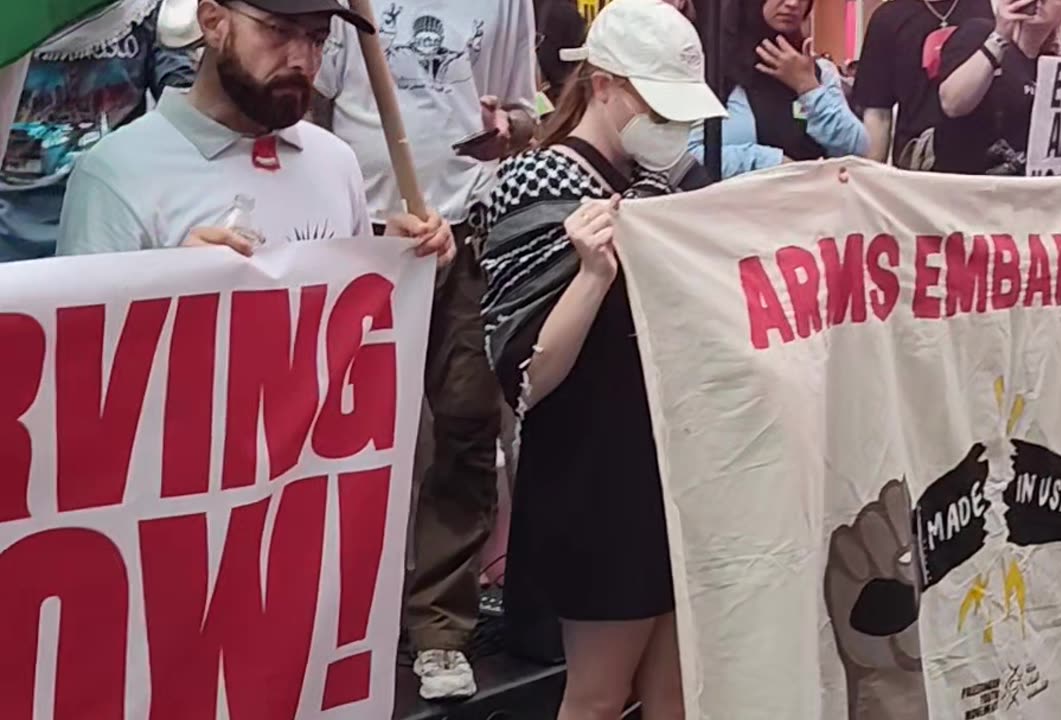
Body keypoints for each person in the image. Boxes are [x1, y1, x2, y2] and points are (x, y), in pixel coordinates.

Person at [479, 0, 725, 717]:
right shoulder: (535, 186)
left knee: (675, 693)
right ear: (606, 85)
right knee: (596, 694)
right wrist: (591, 275)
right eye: (656, 103)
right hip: (595, 479)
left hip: (674, 469)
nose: (670, 124)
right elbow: (526, 375)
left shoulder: (677, 184)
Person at [311, 0, 537, 700]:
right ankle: (340, 621)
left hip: (465, 235)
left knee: (466, 430)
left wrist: (510, 129)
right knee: (348, 435)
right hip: (363, 240)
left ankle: (439, 629)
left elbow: (523, 108)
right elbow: (308, 114)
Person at [56, 0, 452, 261]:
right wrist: (165, 289)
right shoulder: (113, 174)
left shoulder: (336, 162)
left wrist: (394, 259)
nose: (302, 60)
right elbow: (78, 351)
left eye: (317, 38)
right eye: (277, 30)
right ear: (213, 23)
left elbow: (351, 331)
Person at [0, 0, 197, 262]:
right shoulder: (12, 17)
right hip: (9, 226)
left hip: (112, 224)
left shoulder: (148, 11)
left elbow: (188, 111)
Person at [688, 0, 869, 178]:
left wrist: (808, 88)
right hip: (735, 204)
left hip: (813, 204)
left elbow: (857, 150)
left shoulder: (819, 71)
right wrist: (770, 163)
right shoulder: (714, 69)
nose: (793, 3)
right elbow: (687, 158)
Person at [933, 0, 1061, 175]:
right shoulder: (978, 33)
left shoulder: (1060, 65)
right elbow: (952, 104)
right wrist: (998, 39)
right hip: (966, 187)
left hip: (1030, 192)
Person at [852, 0, 993, 168]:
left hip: (988, 160)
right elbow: (878, 113)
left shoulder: (989, 7)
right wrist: (872, 179)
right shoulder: (887, 18)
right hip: (918, 161)